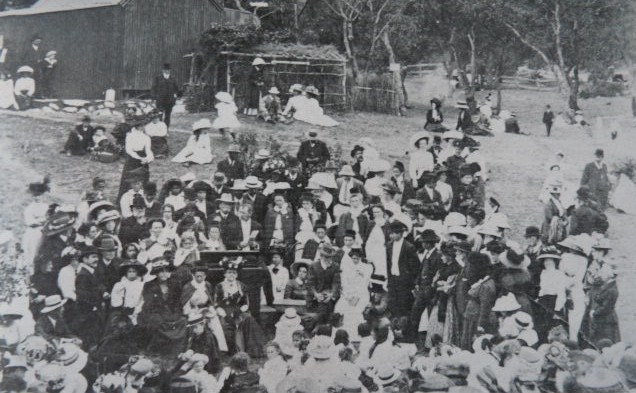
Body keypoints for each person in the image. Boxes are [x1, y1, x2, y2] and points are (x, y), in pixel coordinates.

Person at [213, 258, 266, 358]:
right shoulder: (219, 286)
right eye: (229, 272)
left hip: (238, 310)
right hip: (224, 311)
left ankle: (251, 350)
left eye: (233, 273)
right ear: (225, 274)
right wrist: (224, 314)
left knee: (249, 319)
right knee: (225, 324)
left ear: (237, 274)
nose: (231, 275)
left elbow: (246, 303)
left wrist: (239, 311)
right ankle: (230, 350)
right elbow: (216, 304)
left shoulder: (242, 286)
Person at [460, 252, 496, 350]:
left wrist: (481, 325)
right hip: (471, 315)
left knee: (472, 344)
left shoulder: (485, 285)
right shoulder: (483, 282)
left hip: (475, 319)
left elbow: (485, 307)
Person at [334, 248, 372, 336]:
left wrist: (356, 297)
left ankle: (355, 333)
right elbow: (344, 283)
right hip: (348, 294)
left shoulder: (366, 267)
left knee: (355, 310)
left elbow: (364, 284)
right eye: (353, 258)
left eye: (357, 258)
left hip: (361, 294)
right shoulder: (347, 267)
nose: (355, 260)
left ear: (360, 258)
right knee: (340, 307)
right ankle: (342, 332)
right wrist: (347, 295)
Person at [386, 220, 419, 321]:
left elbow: (415, 266)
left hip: (404, 281)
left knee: (403, 305)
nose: (391, 236)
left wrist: (409, 280)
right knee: (393, 304)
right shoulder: (389, 245)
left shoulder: (409, 247)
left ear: (400, 233)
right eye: (390, 233)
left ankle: (404, 328)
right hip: (393, 279)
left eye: (393, 233)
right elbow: (388, 263)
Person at [117, 116, 153, 201]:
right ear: (136, 126)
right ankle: (126, 199)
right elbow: (129, 150)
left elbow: (148, 149)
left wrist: (148, 158)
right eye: (140, 125)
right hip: (132, 159)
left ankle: (141, 199)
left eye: (143, 125)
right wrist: (139, 158)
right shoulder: (130, 136)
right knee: (129, 178)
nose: (142, 127)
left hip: (143, 159)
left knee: (143, 178)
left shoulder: (146, 137)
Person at [306, 244, 341, 321]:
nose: (328, 259)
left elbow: (336, 282)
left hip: (329, 295)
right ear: (321, 256)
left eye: (330, 257)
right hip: (316, 295)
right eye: (326, 257)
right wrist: (316, 294)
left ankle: (323, 326)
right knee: (323, 308)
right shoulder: (314, 266)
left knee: (328, 306)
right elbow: (310, 283)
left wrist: (331, 294)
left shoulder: (335, 266)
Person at [23, 176, 50, 270]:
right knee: (32, 252)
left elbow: (49, 218)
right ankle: (31, 272)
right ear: (32, 196)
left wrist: (45, 220)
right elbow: (30, 222)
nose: (37, 197)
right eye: (35, 195)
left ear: (43, 195)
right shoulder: (29, 208)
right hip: (33, 233)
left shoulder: (46, 206)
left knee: (43, 252)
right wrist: (42, 220)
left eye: (39, 195)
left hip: (44, 232)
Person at [151, 63, 180, 128]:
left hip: (169, 101)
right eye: (165, 70)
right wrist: (154, 97)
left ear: (170, 70)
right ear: (163, 70)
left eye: (168, 70)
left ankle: (166, 130)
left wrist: (175, 97)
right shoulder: (158, 78)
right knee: (159, 115)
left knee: (167, 116)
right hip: (160, 100)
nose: (167, 71)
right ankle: (159, 129)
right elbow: (153, 88)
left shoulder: (173, 78)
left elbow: (176, 88)